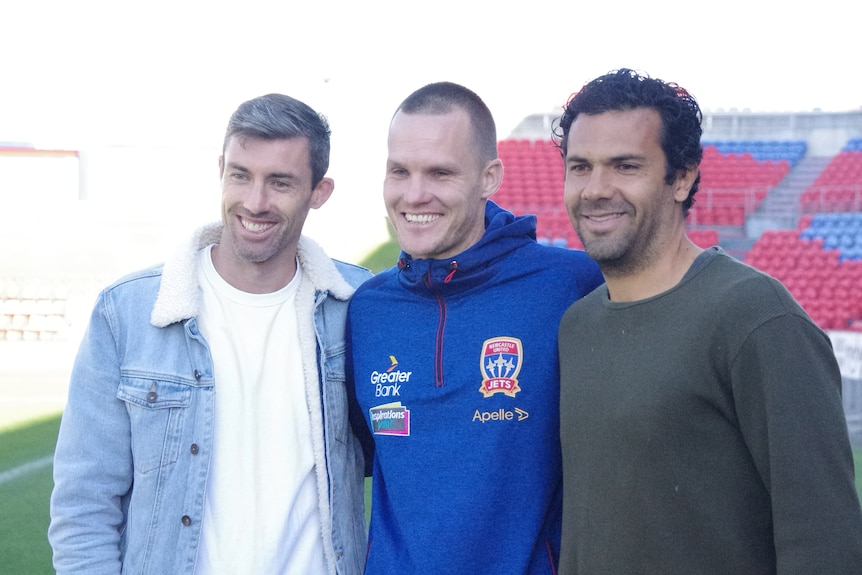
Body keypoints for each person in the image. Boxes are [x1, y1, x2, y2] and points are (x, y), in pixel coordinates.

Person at [554, 68, 862, 574]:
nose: (595, 189)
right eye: (580, 167)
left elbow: (825, 541)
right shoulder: (577, 326)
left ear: (682, 177)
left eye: (625, 166)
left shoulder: (755, 318)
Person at [48, 94, 371, 574]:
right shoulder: (130, 312)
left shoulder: (358, 307)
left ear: (318, 193)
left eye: (279, 182)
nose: (254, 202)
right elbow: (84, 504)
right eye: (241, 175)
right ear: (221, 170)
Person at [346, 81, 604, 574]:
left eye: (440, 172)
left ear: (489, 178)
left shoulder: (570, 285)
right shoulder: (367, 310)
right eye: (399, 171)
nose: (414, 193)